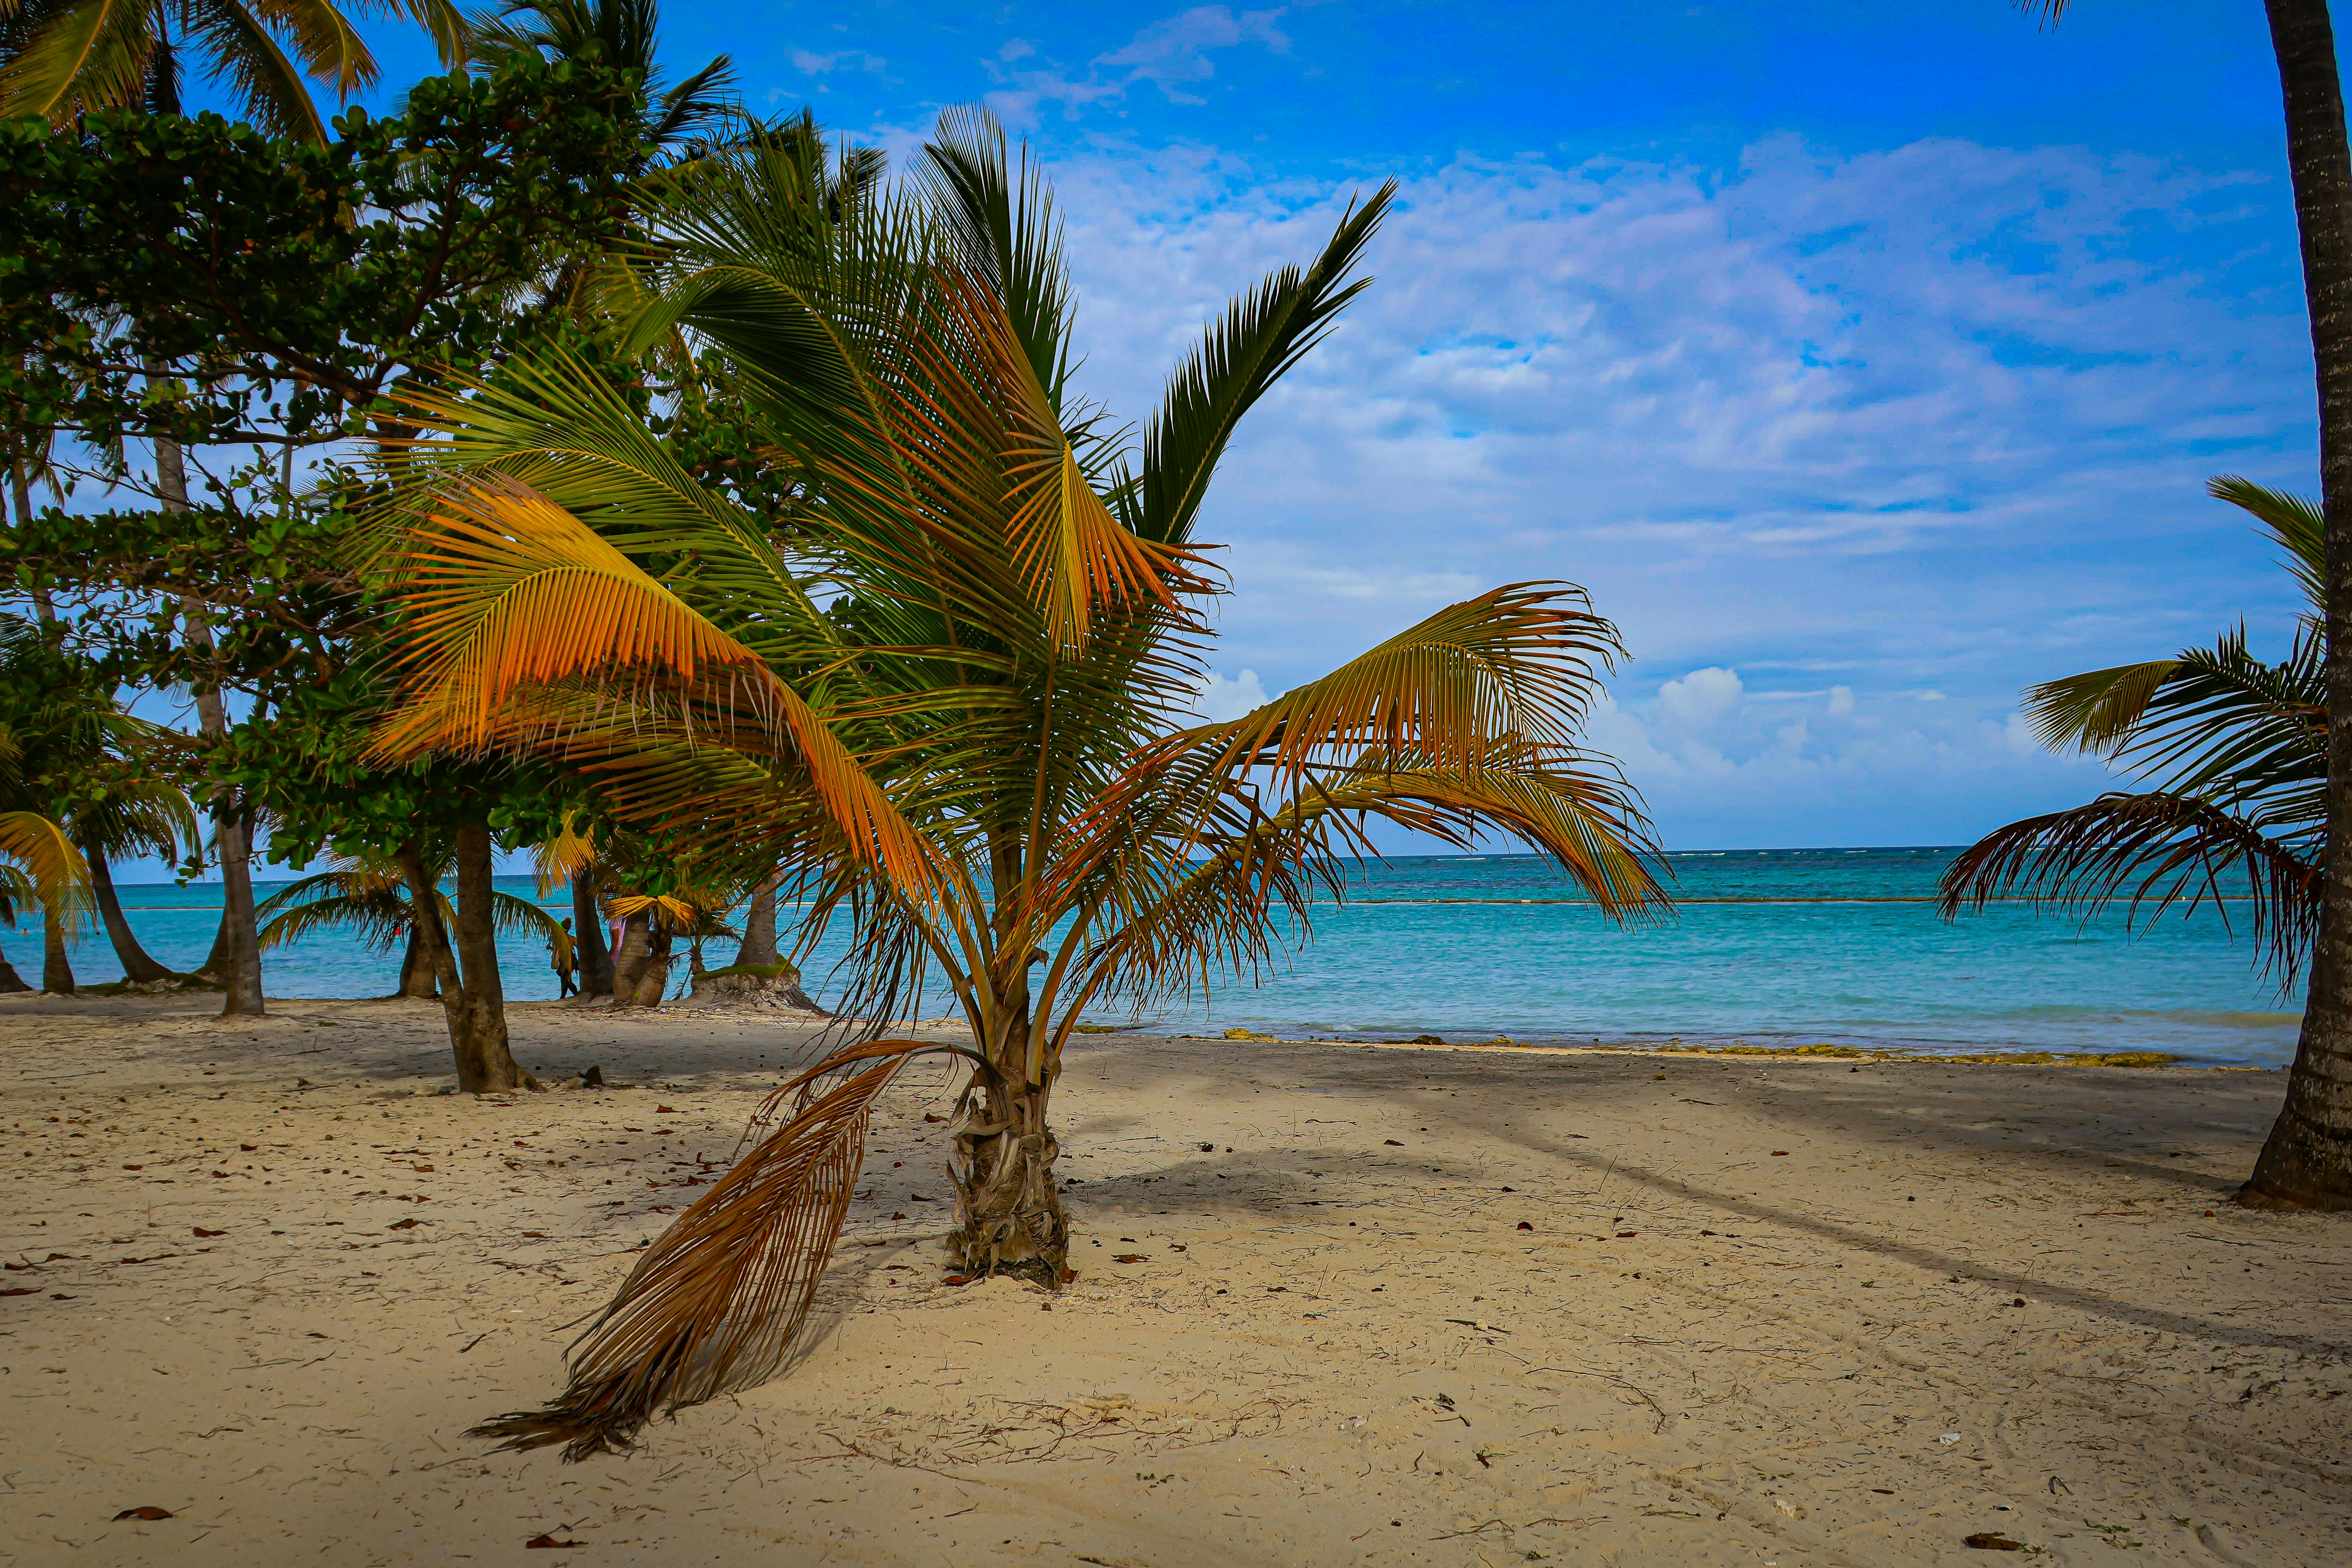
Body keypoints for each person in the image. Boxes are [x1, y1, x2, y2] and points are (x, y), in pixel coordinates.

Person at [551, 918, 578, 999]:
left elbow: (559, 950)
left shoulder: (559, 939)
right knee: (567, 978)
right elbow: (579, 947)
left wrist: (550, 948)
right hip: (572, 959)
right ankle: (575, 995)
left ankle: (563, 997)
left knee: (565, 979)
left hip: (565, 960)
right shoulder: (572, 938)